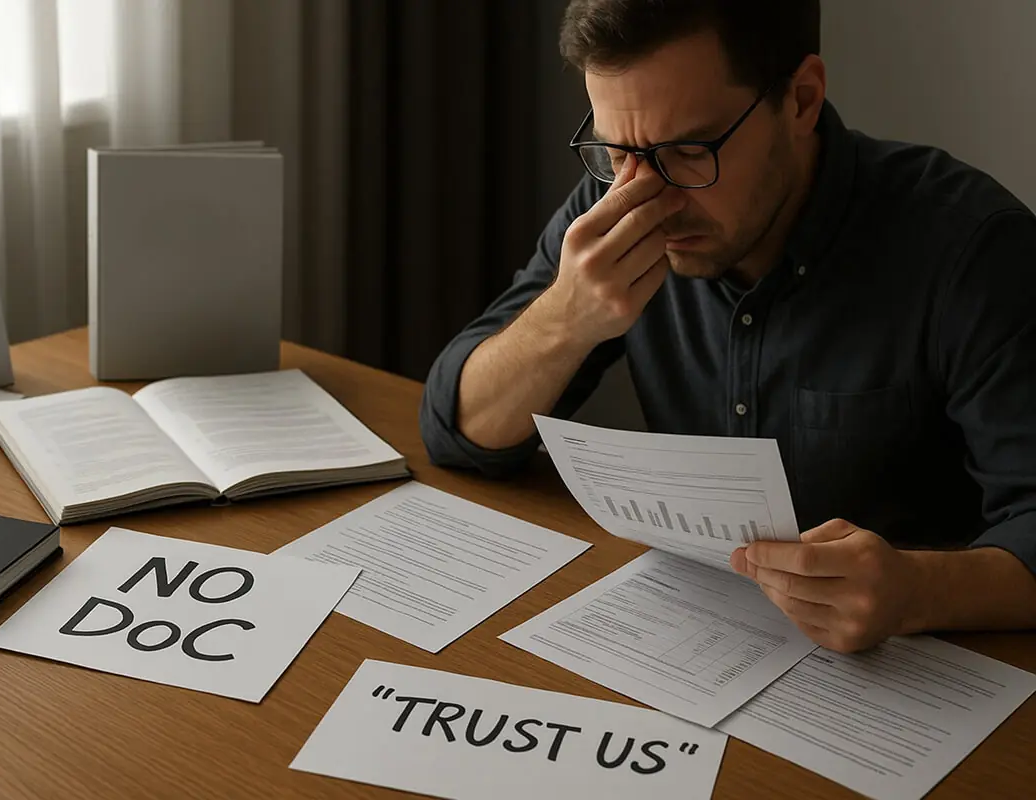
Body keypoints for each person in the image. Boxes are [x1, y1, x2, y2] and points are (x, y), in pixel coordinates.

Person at [419, 0, 1036, 653]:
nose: (645, 195)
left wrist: (916, 590)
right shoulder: (618, 207)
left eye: (689, 150)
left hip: (928, 680)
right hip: (692, 652)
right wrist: (566, 318)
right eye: (618, 151)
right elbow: (456, 430)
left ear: (801, 100)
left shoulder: (972, 251)